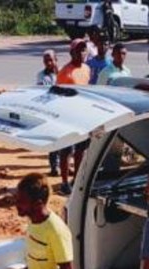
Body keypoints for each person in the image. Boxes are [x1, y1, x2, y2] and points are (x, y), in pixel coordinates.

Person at [56, 40, 91, 195]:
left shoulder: (87, 69)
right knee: (67, 150)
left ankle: (76, 179)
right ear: (72, 53)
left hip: (83, 114)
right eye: (79, 50)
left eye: (84, 50)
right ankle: (64, 181)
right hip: (67, 115)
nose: (83, 53)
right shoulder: (65, 72)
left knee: (81, 150)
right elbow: (57, 94)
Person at [36, 49, 60, 176]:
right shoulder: (41, 76)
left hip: (63, 110)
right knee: (53, 140)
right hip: (50, 110)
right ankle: (54, 166)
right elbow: (43, 92)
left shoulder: (63, 73)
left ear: (56, 60)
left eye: (51, 60)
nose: (49, 63)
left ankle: (64, 164)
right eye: (46, 61)